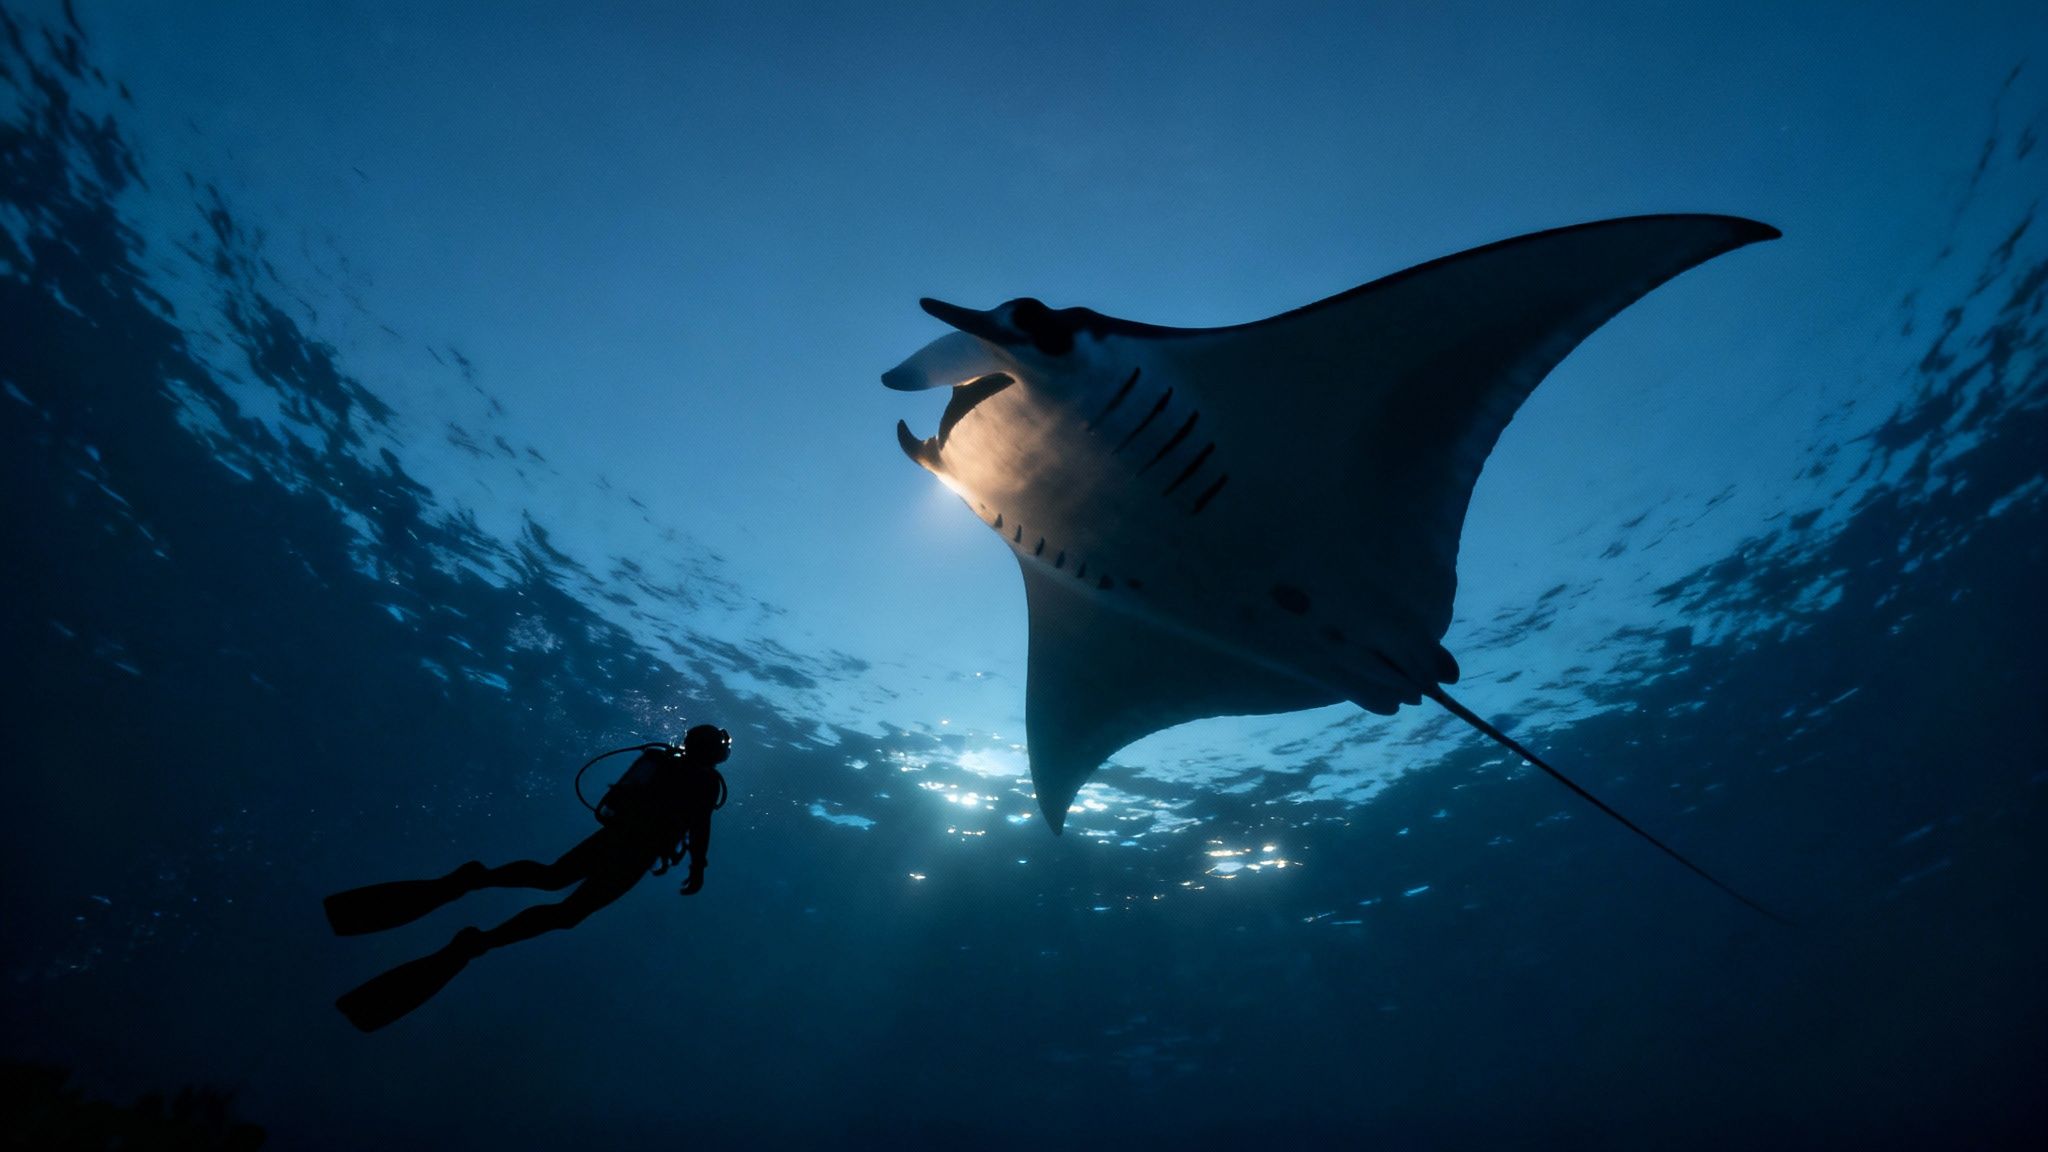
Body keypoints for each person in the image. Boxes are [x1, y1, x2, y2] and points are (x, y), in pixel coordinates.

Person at [326, 724, 733, 1031]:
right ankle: (479, 940)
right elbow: (699, 827)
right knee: (569, 911)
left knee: (551, 877)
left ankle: (474, 881)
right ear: (713, 753)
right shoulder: (705, 780)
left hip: (612, 837)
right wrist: (698, 868)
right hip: (634, 854)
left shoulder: (664, 764)